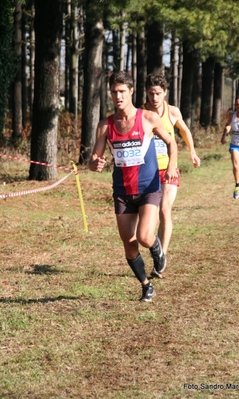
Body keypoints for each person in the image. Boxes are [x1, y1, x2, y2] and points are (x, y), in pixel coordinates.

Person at [89, 71, 178, 302]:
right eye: (113, 92)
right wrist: (95, 163)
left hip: (148, 188)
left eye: (121, 92)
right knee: (129, 246)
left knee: (145, 237)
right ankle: (146, 285)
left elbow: (171, 143)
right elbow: (93, 159)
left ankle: (157, 251)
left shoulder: (148, 118)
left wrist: (170, 167)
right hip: (122, 193)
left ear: (130, 92)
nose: (117, 96)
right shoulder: (105, 125)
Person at [142, 73, 201, 265]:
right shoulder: (140, 113)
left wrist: (192, 152)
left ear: (165, 93)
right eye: (151, 93)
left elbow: (185, 131)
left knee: (164, 210)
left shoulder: (172, 112)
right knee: (147, 215)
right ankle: (154, 246)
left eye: (158, 93)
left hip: (169, 167)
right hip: (147, 170)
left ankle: (161, 257)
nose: (155, 98)